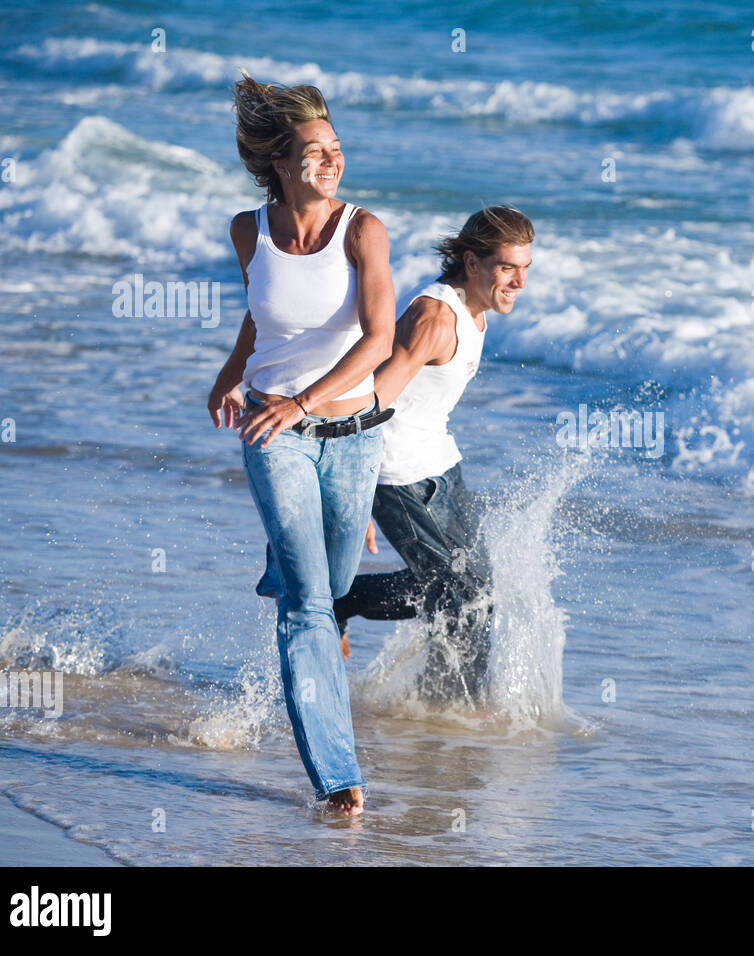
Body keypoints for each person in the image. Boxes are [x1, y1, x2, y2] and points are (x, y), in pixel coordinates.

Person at [206, 72, 395, 815]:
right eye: (313, 152)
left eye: (336, 149)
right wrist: (233, 377)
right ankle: (337, 773)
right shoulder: (248, 230)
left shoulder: (363, 230)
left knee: (334, 584)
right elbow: (263, 318)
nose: (330, 162)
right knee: (309, 607)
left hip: (351, 437)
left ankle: (288, 559)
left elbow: (380, 339)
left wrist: (307, 402)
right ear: (279, 164)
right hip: (272, 430)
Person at [333, 206, 533, 709]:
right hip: (397, 475)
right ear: (471, 262)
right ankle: (346, 602)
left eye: (526, 269)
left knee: (477, 596)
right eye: (508, 268)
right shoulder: (436, 317)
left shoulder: (475, 311)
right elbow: (371, 400)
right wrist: (353, 493)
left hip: (442, 466)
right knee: (458, 598)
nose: (520, 282)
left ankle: (448, 706)